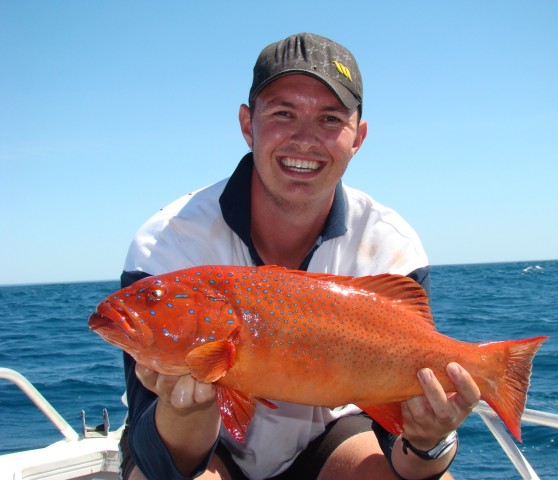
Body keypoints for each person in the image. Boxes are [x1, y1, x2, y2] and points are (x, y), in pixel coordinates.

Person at [118, 32, 481, 480]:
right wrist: (185, 409)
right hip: (203, 452)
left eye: (330, 119)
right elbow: (157, 462)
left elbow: (408, 460)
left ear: (358, 137)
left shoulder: (392, 246)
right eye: (283, 113)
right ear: (247, 125)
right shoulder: (167, 244)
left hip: (333, 440)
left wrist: (428, 441)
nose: (305, 139)